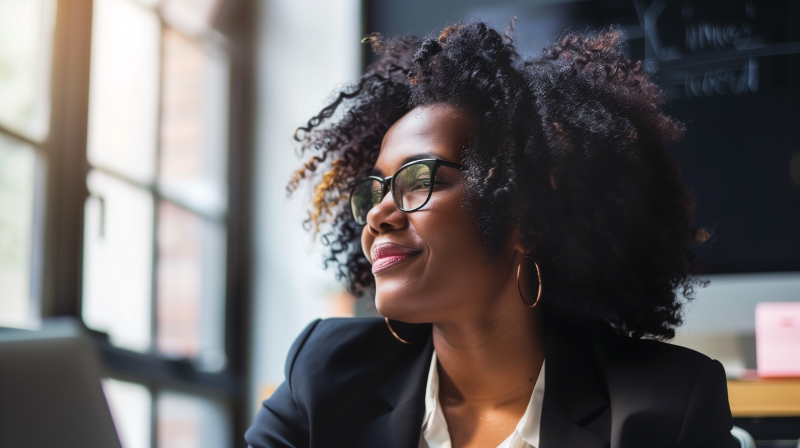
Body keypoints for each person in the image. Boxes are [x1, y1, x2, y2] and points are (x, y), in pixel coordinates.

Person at [245, 22, 736, 448]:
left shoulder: (667, 405)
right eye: (373, 193)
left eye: (420, 180)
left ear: (527, 221)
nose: (379, 215)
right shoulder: (325, 372)